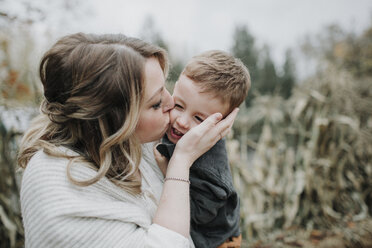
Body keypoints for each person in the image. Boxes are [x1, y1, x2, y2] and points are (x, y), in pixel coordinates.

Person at [18, 33, 239, 248]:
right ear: (114, 121)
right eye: (155, 103)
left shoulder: (136, 142)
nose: (171, 104)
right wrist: (181, 162)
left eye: (165, 89)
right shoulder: (57, 188)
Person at [155, 50, 250, 248]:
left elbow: (200, 215)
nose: (181, 121)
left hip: (219, 242)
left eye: (199, 119)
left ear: (221, 125)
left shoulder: (211, 171)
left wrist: (168, 170)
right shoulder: (170, 124)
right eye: (179, 105)